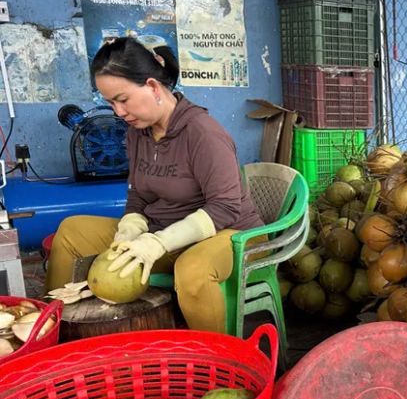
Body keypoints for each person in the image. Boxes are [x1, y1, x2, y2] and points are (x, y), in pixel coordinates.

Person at [45, 37, 263, 332]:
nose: (118, 112)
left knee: (193, 271)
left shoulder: (203, 134)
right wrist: (129, 229)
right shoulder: (138, 134)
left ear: (152, 86)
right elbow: (137, 196)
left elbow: (225, 207)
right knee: (71, 232)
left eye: (122, 99)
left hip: (232, 235)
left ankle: (218, 364)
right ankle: (53, 331)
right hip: (166, 234)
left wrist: (159, 242)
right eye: (110, 103)